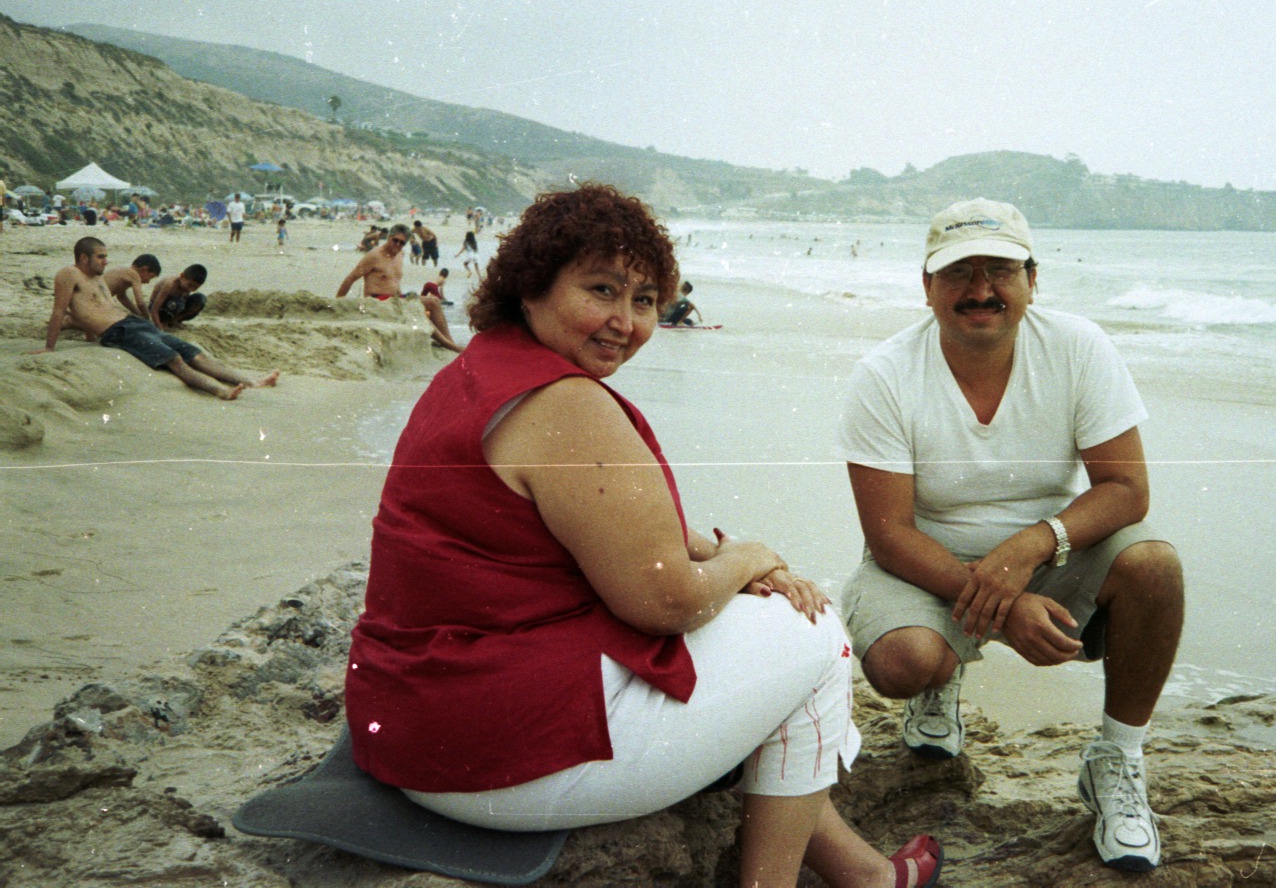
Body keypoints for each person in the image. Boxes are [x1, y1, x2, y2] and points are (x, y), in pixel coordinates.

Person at [344, 185, 941, 888]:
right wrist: (751, 556)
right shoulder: (564, 404)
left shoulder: (486, 367)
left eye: (646, 300)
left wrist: (718, 556)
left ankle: (859, 872)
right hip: (490, 759)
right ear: (532, 284)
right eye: (601, 289)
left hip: (417, 723)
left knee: (769, 639)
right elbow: (666, 604)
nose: (623, 322)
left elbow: (596, 520)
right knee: (814, 633)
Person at [838, 198, 1184, 873]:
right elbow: (888, 534)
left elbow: (1128, 490)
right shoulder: (883, 374)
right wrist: (1005, 602)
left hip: (1047, 552)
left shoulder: (1078, 348)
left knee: (1154, 565)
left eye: (999, 271)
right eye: (959, 273)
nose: (980, 291)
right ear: (926, 286)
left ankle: (1117, 757)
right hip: (922, 559)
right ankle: (944, 677)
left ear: (1032, 279)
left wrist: (1032, 547)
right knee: (906, 661)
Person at [31, 237, 278, 400]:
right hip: (119, 332)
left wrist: (90, 336)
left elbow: (96, 307)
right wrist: (49, 347)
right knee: (175, 359)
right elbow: (59, 310)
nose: (106, 261)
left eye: (106, 256)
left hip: (132, 323)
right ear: (84, 258)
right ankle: (221, 392)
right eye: (101, 257)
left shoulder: (97, 278)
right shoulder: (68, 274)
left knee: (194, 352)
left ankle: (253, 382)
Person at [336, 224, 464, 352]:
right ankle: (451, 346)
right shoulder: (374, 256)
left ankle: (449, 342)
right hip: (377, 300)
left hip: (394, 299)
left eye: (402, 243)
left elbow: (395, 282)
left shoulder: (400, 255)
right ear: (389, 237)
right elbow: (350, 278)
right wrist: (337, 305)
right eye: (395, 240)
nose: (397, 244)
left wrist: (405, 300)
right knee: (424, 305)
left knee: (434, 302)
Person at [149, 264, 209, 328]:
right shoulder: (170, 284)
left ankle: (173, 321)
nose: (191, 289)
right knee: (177, 303)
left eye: (195, 288)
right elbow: (154, 309)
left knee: (200, 299)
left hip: (174, 309)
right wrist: (159, 326)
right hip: (159, 309)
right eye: (189, 285)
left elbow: (185, 301)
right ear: (182, 276)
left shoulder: (186, 287)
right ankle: (165, 322)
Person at [104, 253, 161, 319]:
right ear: (144, 269)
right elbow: (140, 303)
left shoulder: (123, 271)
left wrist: (138, 314)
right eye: (150, 277)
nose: (148, 282)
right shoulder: (134, 275)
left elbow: (121, 297)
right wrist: (148, 318)